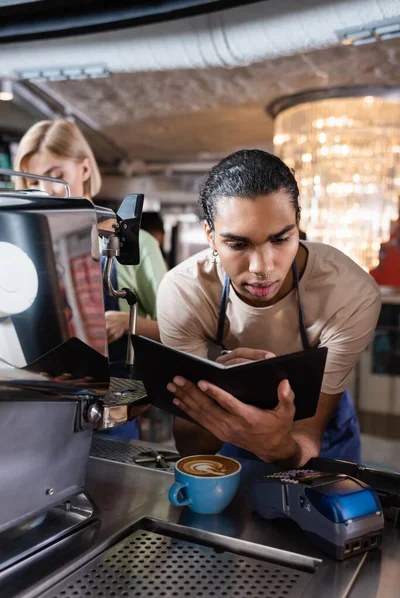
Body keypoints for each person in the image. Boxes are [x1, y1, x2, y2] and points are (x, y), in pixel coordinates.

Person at [157, 149, 381, 467]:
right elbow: (191, 446)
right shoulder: (184, 292)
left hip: (322, 425)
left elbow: (306, 440)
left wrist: (280, 448)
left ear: (297, 224)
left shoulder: (350, 294)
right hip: (231, 411)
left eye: (280, 239)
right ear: (210, 236)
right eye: (238, 243)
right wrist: (220, 397)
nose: (263, 267)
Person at [13, 119, 167, 437]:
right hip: (37, 404)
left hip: (111, 409)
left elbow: (179, 331)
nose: (47, 191)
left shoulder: (132, 243)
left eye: (57, 177)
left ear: (84, 169)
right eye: (33, 183)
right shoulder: (22, 250)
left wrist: (127, 323)